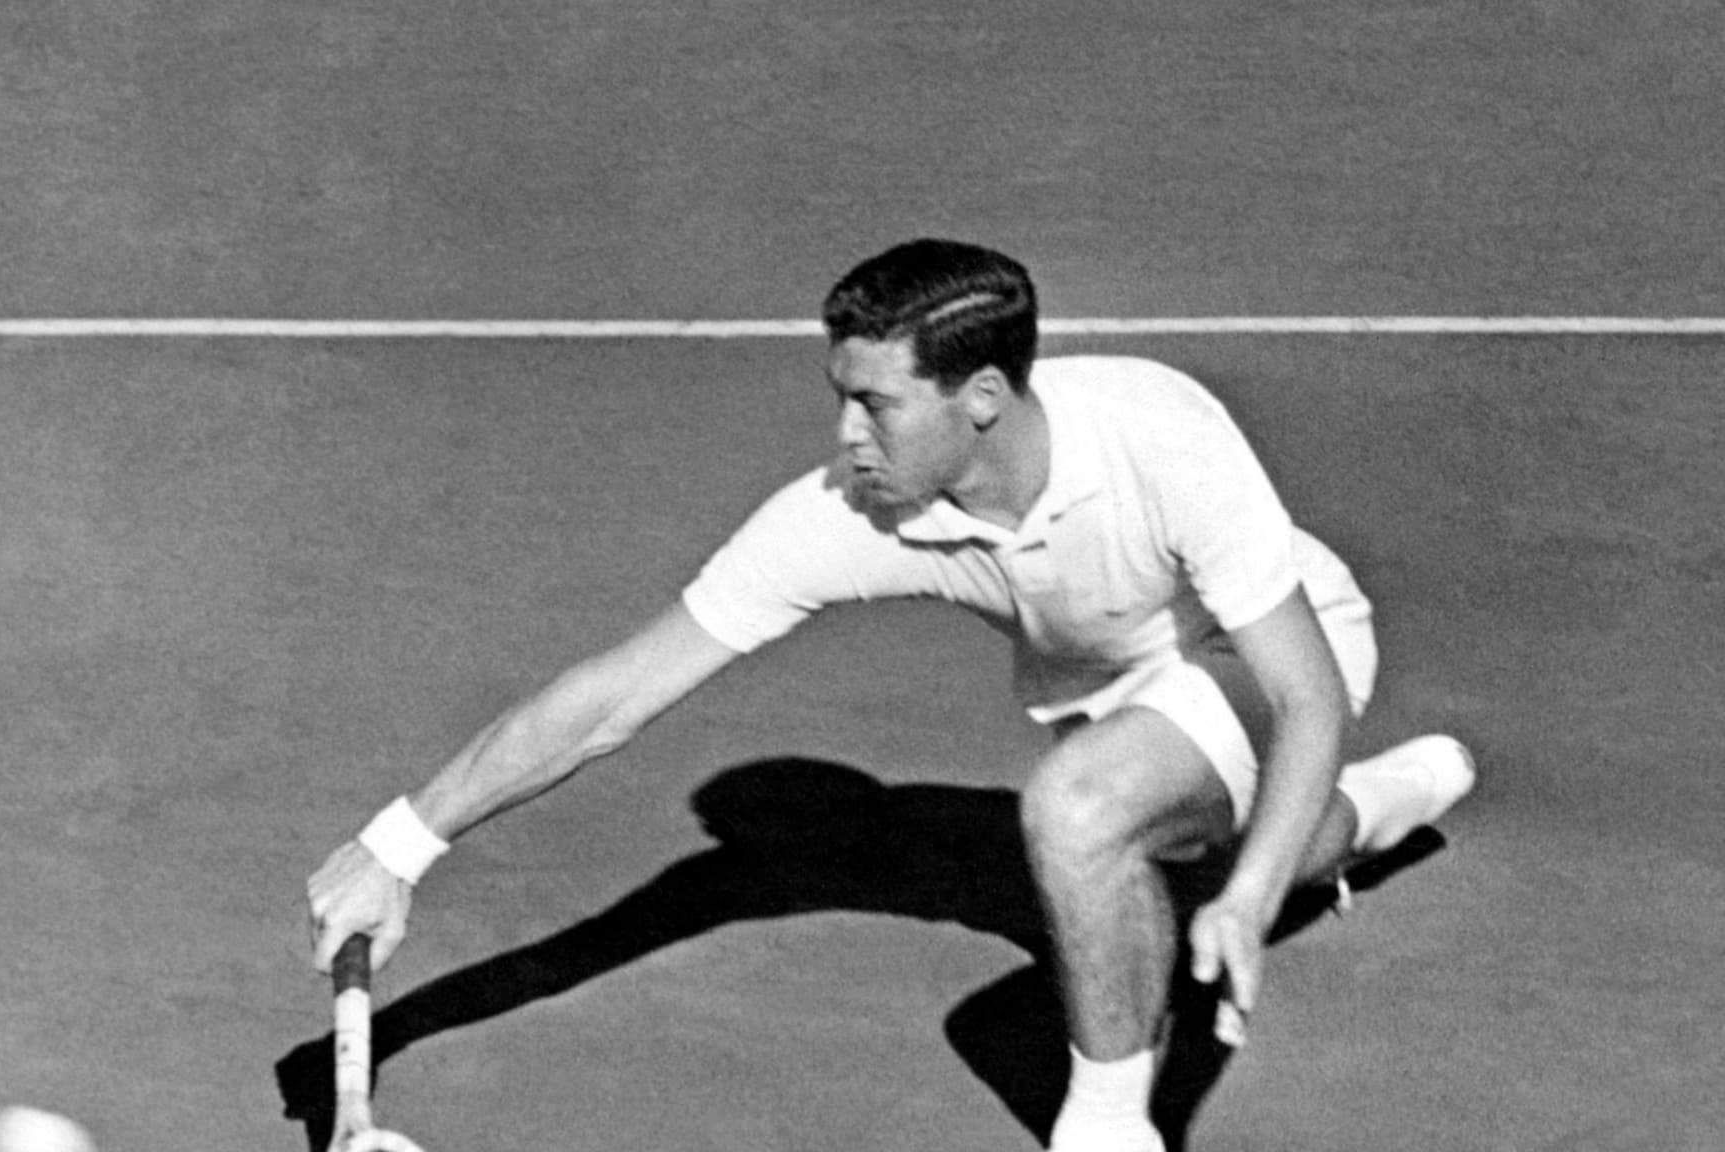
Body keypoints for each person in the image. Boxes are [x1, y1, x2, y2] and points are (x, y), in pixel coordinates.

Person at [306, 238, 1475, 1151]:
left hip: (1270, 652)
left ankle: (1109, 1128)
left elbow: (1305, 697)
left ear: (980, 397)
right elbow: (617, 693)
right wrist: (400, 844)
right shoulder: (846, 514)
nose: (845, 434)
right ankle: (1368, 812)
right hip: (1106, 699)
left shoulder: (1156, 437)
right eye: (840, 396)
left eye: (874, 404)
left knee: (1086, 813)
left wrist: (1252, 898)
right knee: (1196, 846)